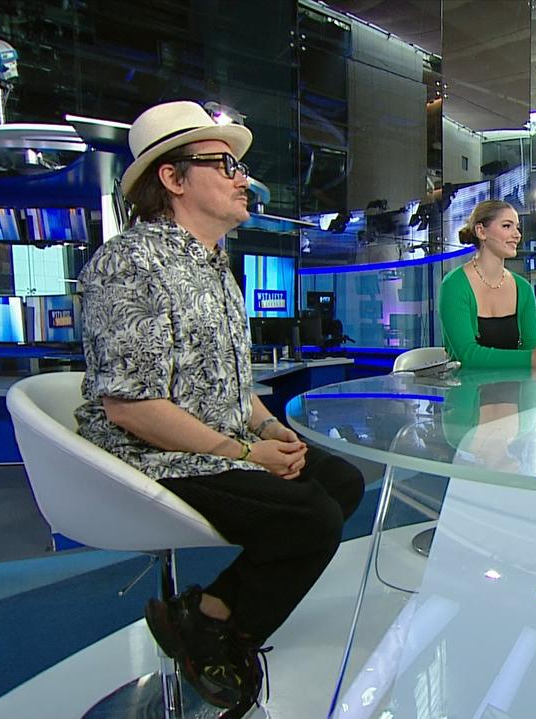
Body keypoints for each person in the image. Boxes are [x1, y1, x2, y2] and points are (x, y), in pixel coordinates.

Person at [75, 100, 364, 713]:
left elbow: (230, 387)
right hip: (151, 455)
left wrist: (270, 430)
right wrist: (245, 453)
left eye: (240, 166)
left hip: (218, 445)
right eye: (224, 165)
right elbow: (131, 409)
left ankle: (207, 615)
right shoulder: (129, 263)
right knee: (310, 519)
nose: (243, 179)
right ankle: (219, 636)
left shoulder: (215, 267)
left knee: (341, 482)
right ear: (172, 178)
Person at [439, 200, 536, 370]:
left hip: (517, 385)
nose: (517, 235)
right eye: (507, 226)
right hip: (466, 386)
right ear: (481, 231)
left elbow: (531, 350)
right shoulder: (454, 286)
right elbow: (468, 356)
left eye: (517, 227)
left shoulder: (523, 289)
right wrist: (530, 359)